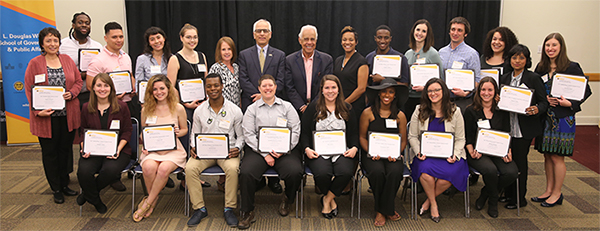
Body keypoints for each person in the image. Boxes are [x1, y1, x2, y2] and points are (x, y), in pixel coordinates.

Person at [532, 33, 592, 207]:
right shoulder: (541, 67)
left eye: (554, 45)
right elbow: (535, 89)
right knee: (547, 155)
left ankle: (557, 193)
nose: (550, 48)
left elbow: (585, 91)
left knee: (558, 157)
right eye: (547, 45)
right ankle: (548, 190)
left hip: (563, 118)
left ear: (561, 47)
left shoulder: (572, 67)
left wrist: (570, 103)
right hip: (545, 118)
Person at [24, 27, 82, 204]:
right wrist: (36, 111)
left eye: (55, 40)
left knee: (65, 151)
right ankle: (56, 188)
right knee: (50, 153)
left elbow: (79, 81)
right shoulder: (35, 63)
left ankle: (65, 184)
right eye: (48, 40)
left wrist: (71, 93)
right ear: (42, 43)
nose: (52, 44)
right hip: (45, 118)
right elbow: (28, 89)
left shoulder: (67, 60)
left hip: (67, 115)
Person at [238, 75, 303, 229]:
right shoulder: (251, 109)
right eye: (264, 86)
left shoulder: (287, 107)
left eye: (270, 85)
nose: (267, 88)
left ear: (275, 87)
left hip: (284, 150)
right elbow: (248, 134)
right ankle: (247, 211)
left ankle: (288, 198)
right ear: (259, 89)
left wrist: (283, 150)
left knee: (295, 171)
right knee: (246, 172)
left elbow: (296, 131)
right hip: (258, 150)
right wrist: (264, 154)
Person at [185, 73, 244, 227]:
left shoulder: (234, 110)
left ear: (222, 86)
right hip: (205, 152)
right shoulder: (199, 110)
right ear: (205, 88)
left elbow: (241, 136)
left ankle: (229, 208)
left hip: (228, 153)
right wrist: (193, 146)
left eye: (216, 85)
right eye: (209, 86)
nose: (213, 89)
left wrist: (237, 148)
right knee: (190, 168)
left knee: (232, 169)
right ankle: (199, 209)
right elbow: (194, 134)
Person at [408, 78, 468, 223]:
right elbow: (412, 136)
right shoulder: (419, 110)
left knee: (450, 174)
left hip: (449, 155)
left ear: (444, 91)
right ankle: (434, 205)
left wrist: (455, 154)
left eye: (437, 90)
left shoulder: (455, 111)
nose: (433, 93)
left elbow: (461, 139)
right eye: (429, 91)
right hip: (425, 155)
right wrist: (418, 152)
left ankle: (428, 202)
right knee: (426, 173)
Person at [238, 19, 286, 193]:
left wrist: (266, 94)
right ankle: (257, 178)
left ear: (270, 34)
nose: (262, 34)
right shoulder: (244, 54)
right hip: (251, 102)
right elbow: (242, 78)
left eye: (265, 31)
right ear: (253, 34)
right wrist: (258, 95)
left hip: (273, 104)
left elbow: (280, 80)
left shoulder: (279, 55)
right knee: (252, 137)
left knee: (273, 137)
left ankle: (273, 180)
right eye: (258, 31)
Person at [301, 75, 359, 219]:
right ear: (321, 90)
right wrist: (307, 148)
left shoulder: (347, 108)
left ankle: (327, 199)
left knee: (345, 172)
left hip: (342, 151)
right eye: (327, 88)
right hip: (318, 152)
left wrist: (354, 148)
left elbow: (354, 133)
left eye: (333, 87)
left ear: (339, 90)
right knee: (322, 173)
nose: (330, 91)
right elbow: (304, 133)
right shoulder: (312, 109)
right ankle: (331, 198)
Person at [87, 21, 136, 191]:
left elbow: (129, 77)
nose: (118, 40)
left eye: (121, 36)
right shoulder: (98, 60)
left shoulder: (126, 56)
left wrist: (134, 87)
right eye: (114, 37)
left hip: (125, 105)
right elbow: (90, 85)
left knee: (122, 136)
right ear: (106, 38)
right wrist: (112, 96)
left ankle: (114, 176)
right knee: (107, 138)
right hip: (106, 108)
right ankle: (109, 176)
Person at [498, 44, 548, 210]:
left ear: (527, 60)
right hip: (507, 128)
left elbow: (544, 103)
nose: (517, 61)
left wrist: (536, 109)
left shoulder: (533, 78)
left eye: (521, 58)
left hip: (523, 129)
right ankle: (507, 193)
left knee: (519, 164)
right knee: (506, 162)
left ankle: (519, 198)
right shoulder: (504, 78)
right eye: (514, 57)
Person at [133, 74, 188, 222]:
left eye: (162, 88)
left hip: (173, 150)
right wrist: (144, 145)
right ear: (150, 92)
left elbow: (184, 130)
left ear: (168, 89)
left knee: (163, 169)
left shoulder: (178, 108)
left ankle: (148, 203)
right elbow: (143, 132)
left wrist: (178, 132)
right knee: (148, 168)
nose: (159, 92)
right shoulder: (146, 109)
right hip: (152, 150)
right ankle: (153, 198)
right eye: (155, 89)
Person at [77, 73, 133, 213]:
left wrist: (118, 150)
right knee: (83, 172)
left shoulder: (121, 107)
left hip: (118, 150)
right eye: (99, 85)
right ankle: (95, 199)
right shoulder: (85, 107)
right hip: (93, 151)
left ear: (111, 88)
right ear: (93, 88)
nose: (102, 89)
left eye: (106, 85)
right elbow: (82, 130)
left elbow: (127, 131)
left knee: (110, 170)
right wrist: (84, 147)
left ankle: (87, 194)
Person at [463, 77, 518, 218]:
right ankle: (493, 201)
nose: (486, 93)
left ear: (495, 92)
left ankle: (485, 193)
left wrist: (508, 151)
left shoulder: (502, 111)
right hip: (477, 152)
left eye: (490, 90)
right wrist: (471, 151)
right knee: (490, 170)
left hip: (498, 151)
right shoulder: (471, 111)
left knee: (511, 172)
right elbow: (467, 136)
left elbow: (507, 133)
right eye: (483, 89)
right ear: (478, 91)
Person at [359, 78, 408, 226]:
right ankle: (386, 209)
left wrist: (396, 153)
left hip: (393, 155)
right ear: (379, 94)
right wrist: (371, 151)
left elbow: (404, 140)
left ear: (395, 96)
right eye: (384, 91)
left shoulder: (400, 116)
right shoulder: (368, 113)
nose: (387, 95)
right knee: (377, 172)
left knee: (394, 172)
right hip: (372, 154)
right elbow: (362, 137)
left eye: (391, 92)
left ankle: (381, 210)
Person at [285, 25, 334, 114]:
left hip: (320, 108)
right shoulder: (289, 60)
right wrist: (301, 106)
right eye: (306, 39)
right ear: (300, 40)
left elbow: (326, 86)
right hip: (296, 109)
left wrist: (312, 107)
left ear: (316, 40)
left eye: (312, 39)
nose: (309, 42)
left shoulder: (326, 60)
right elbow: (289, 87)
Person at [59, 12, 102, 108]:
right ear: (73, 25)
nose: (84, 25)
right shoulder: (62, 45)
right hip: (71, 95)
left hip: (93, 95)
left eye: (87, 23)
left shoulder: (97, 46)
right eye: (80, 22)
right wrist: (80, 75)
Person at [438, 16, 481, 113]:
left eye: (459, 30)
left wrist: (467, 92)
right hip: (441, 101)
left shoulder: (472, 54)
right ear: (449, 32)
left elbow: (477, 80)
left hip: (461, 103)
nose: (455, 33)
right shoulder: (441, 52)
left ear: (465, 34)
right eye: (453, 29)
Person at [167, 23, 208, 121]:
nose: (192, 40)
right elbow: (170, 86)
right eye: (188, 37)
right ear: (181, 38)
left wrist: (206, 100)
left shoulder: (202, 56)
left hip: (202, 105)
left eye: (195, 37)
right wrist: (185, 103)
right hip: (184, 107)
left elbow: (206, 81)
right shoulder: (175, 59)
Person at [405, 19, 444, 121]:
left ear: (428, 34)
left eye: (424, 31)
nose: (419, 33)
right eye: (418, 30)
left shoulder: (433, 53)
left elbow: (440, 78)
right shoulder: (408, 53)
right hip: (409, 98)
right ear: (413, 31)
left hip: (426, 98)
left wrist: (425, 87)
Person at [334, 26, 369, 122]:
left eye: (351, 40)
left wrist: (345, 103)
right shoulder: (338, 60)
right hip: (337, 106)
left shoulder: (361, 61)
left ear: (356, 42)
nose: (347, 43)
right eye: (344, 40)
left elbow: (361, 88)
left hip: (353, 107)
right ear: (341, 42)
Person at [209, 36, 242, 107]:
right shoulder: (215, 68)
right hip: (221, 107)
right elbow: (210, 90)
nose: (227, 52)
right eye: (223, 49)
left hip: (236, 108)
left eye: (229, 49)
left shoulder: (236, 67)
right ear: (219, 51)